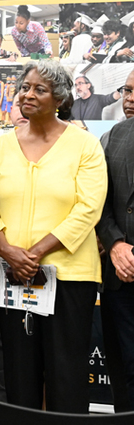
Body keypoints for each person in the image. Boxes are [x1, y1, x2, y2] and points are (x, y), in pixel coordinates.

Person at [0, 60, 107, 413]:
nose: (28, 94)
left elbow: (88, 210)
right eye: (25, 87)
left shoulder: (85, 146)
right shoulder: (1, 147)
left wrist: (32, 254)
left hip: (68, 278)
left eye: (40, 89)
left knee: (66, 375)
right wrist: (8, 252)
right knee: (19, 377)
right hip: (13, 278)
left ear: (60, 99)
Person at [99, 70, 134, 410]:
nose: (130, 98)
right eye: (127, 90)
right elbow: (99, 202)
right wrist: (115, 244)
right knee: (123, 366)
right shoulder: (112, 137)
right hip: (120, 278)